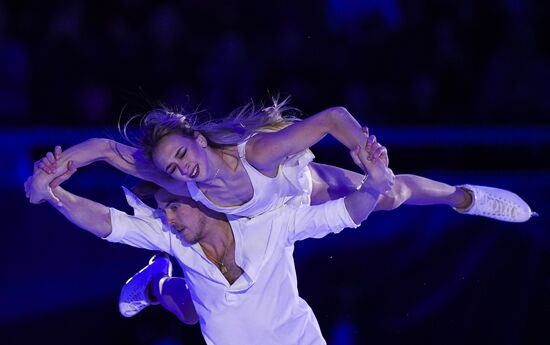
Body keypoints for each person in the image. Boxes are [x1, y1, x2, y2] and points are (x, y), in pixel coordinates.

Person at [26, 138, 395, 345]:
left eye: (172, 206)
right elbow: (107, 222)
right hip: (211, 314)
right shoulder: (170, 232)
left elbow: (347, 213)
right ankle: (159, 281)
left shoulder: (268, 220)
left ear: (199, 198)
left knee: (191, 311)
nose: (167, 218)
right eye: (162, 210)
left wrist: (376, 184)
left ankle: (158, 283)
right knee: (194, 310)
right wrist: (54, 193)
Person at [28, 99, 535, 222]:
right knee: (182, 233)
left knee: (390, 196)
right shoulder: (172, 175)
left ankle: (465, 197)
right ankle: (160, 282)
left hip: (298, 191)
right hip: (241, 227)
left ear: (199, 141)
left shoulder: (260, 152)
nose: (182, 169)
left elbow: (335, 115)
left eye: (183, 154)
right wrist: (48, 173)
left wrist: (366, 152)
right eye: (172, 167)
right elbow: (99, 148)